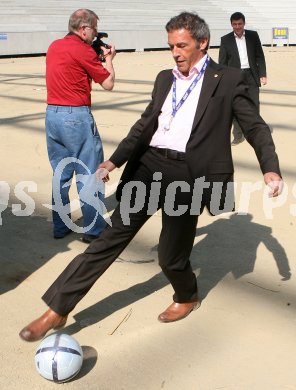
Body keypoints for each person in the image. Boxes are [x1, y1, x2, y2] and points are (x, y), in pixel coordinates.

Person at [19, 11, 282, 342]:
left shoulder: (227, 80)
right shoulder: (164, 78)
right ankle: (57, 309)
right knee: (108, 240)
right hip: (148, 167)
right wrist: (112, 162)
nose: (175, 52)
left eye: (182, 45)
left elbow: (254, 126)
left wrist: (269, 166)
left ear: (203, 43)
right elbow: (145, 125)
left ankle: (186, 295)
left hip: (189, 176)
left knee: (170, 257)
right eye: (171, 45)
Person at [45, 9, 116, 243]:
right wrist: (109, 61)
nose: (95, 35)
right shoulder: (84, 50)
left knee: (61, 174)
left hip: (52, 114)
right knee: (89, 173)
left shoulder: (54, 46)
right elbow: (107, 83)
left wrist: (93, 54)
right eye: (94, 30)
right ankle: (94, 229)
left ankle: (59, 225)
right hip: (76, 116)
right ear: (84, 29)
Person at [219, 12, 267, 146]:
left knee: (254, 105)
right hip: (234, 77)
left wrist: (262, 74)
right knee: (234, 106)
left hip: (251, 75)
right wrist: (223, 79)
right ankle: (238, 136)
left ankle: (255, 134)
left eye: (240, 24)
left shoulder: (253, 35)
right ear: (231, 24)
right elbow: (222, 62)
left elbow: (259, 56)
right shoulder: (225, 39)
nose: (237, 26)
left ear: (244, 23)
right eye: (234, 24)